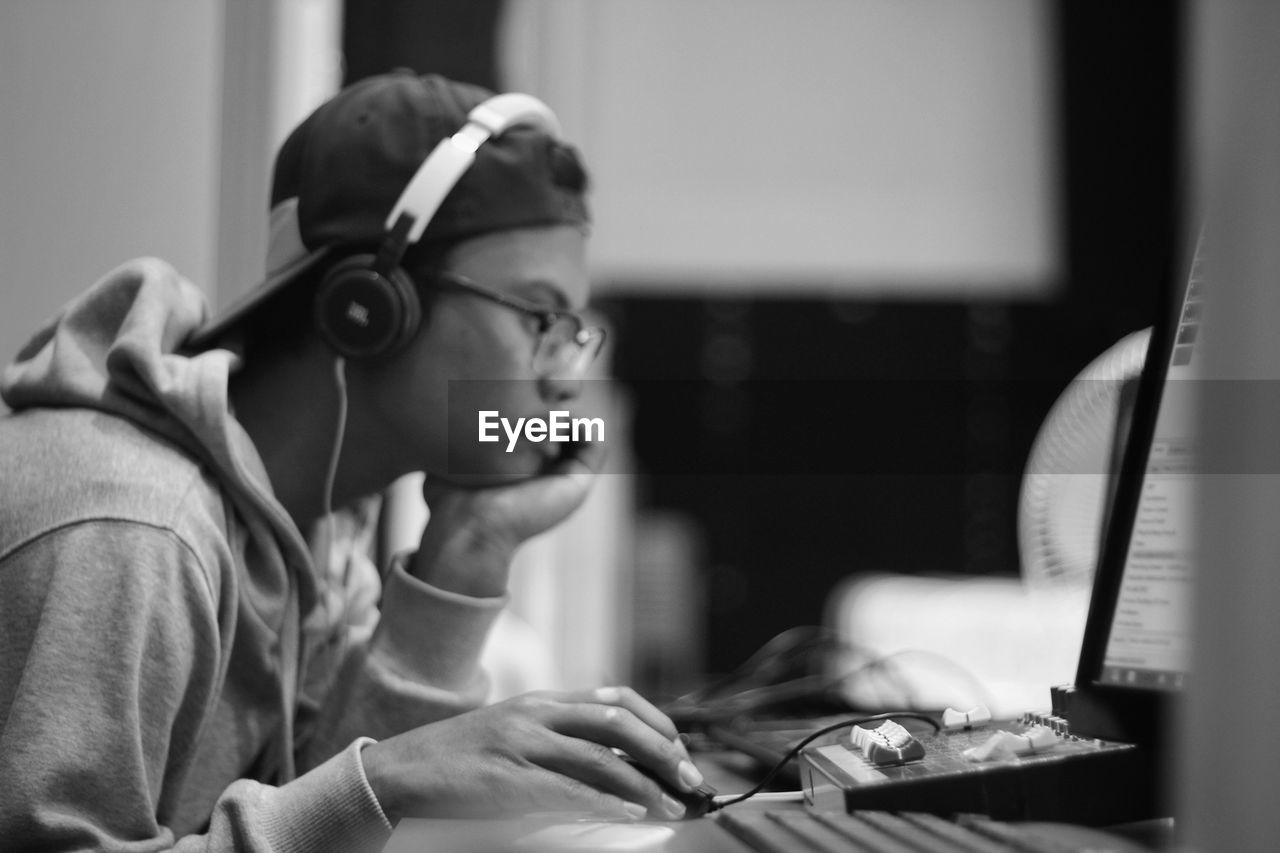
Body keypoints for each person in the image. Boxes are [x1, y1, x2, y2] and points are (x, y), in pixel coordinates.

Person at [0, 70, 703, 851]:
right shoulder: (135, 531)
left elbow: (334, 829)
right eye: (538, 315)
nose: (561, 379)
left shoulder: (324, 521)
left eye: (573, 331)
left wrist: (474, 544)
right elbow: (352, 802)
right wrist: (388, 779)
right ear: (369, 307)